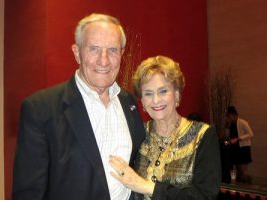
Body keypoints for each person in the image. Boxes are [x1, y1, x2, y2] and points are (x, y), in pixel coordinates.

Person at [12, 13, 146, 200]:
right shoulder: (40, 109)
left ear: (122, 54)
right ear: (77, 53)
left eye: (113, 50)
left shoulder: (128, 102)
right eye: (94, 49)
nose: (104, 60)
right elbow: (29, 192)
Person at [109, 55, 221, 199]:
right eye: (148, 94)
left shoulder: (203, 135)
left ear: (177, 94)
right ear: (142, 102)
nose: (156, 100)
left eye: (163, 91)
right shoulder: (137, 133)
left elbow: (206, 195)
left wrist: (146, 186)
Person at [226, 105, 253, 183]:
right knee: (237, 168)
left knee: (243, 169)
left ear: (234, 115)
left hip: (243, 148)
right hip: (234, 148)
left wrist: (238, 139)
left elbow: (251, 134)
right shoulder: (230, 125)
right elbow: (228, 136)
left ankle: (248, 185)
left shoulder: (242, 122)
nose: (228, 118)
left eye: (229, 116)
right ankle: (240, 185)